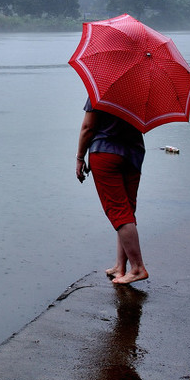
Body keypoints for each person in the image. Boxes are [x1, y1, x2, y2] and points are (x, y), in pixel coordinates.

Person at [75, 97, 148, 285]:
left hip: (106, 153)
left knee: (118, 212)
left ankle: (138, 268)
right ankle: (120, 266)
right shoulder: (140, 92)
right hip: (134, 154)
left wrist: (80, 157)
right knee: (126, 211)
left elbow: (87, 128)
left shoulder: (100, 90)